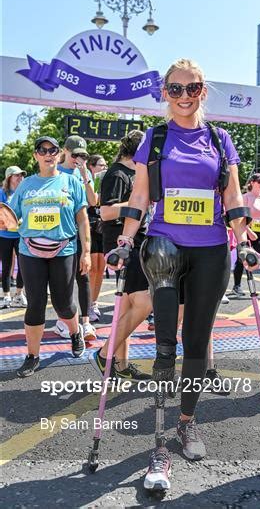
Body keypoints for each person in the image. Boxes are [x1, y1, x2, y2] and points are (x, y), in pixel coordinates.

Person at [108, 58, 260, 490]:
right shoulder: (155, 139)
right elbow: (140, 194)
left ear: (203, 91)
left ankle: (187, 422)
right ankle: (158, 444)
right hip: (163, 246)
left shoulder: (219, 137)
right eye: (175, 89)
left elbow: (231, 194)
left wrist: (244, 242)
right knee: (163, 344)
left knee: (196, 343)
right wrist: (124, 239)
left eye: (192, 88)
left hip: (212, 249)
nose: (184, 96)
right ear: (164, 94)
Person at [7, 136, 89, 377]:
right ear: (36, 156)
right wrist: (9, 222)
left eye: (52, 149)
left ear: (59, 153)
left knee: (64, 303)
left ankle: (75, 333)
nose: (48, 154)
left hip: (63, 249)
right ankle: (32, 356)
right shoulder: (26, 185)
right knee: (35, 304)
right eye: (42, 150)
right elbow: (12, 217)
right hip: (30, 251)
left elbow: (83, 220)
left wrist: (86, 252)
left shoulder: (71, 181)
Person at [90, 130, 152, 382]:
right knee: (145, 303)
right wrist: (136, 204)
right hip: (123, 247)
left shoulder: (135, 173)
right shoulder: (117, 173)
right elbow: (105, 212)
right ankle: (105, 354)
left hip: (136, 243)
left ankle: (122, 364)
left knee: (125, 308)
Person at [54, 135, 97, 340]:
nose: (77, 158)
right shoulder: (54, 170)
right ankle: (64, 320)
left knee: (84, 276)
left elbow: (93, 201)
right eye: (74, 154)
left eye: (82, 155)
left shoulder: (84, 172)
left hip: (81, 230)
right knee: (64, 279)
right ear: (65, 151)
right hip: (60, 233)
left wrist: (85, 176)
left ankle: (86, 323)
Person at [231, 172, 260, 297]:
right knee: (243, 259)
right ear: (252, 182)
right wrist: (249, 232)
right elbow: (241, 217)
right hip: (247, 233)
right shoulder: (246, 197)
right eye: (259, 181)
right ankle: (237, 286)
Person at [0, 166, 27, 308]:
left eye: (22, 176)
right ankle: (6, 296)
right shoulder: (2, 193)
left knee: (23, 265)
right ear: (9, 177)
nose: (20, 178)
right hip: (4, 235)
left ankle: (19, 294)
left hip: (21, 234)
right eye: (17, 175)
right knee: (6, 266)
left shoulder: (24, 193)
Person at [87, 154, 108, 322]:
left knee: (101, 268)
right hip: (90, 226)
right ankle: (86, 303)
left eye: (105, 164)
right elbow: (92, 202)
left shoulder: (106, 181)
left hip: (103, 226)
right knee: (92, 268)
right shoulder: (86, 180)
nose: (104, 167)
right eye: (101, 164)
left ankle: (94, 302)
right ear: (91, 167)